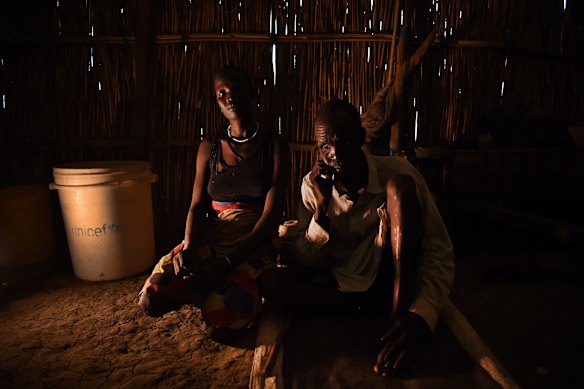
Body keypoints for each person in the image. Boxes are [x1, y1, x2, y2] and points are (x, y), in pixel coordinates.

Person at [259, 99, 454, 376]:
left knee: (398, 188)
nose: (335, 154)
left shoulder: (399, 173)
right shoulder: (311, 187)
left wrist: (422, 314)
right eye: (326, 147)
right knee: (270, 283)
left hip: (390, 278)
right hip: (340, 284)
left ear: (361, 138)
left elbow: (438, 249)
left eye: (345, 142)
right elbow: (306, 259)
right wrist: (321, 209)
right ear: (319, 149)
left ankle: (398, 318)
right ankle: (369, 306)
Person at [138, 66, 289, 341]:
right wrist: (190, 246)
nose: (229, 97)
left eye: (236, 89)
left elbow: (270, 217)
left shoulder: (273, 145)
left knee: (220, 328)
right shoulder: (210, 147)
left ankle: (221, 294)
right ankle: (207, 292)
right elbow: (197, 206)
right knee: (152, 297)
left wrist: (229, 262)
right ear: (217, 102)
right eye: (222, 93)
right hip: (213, 238)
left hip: (251, 242)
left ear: (253, 92)